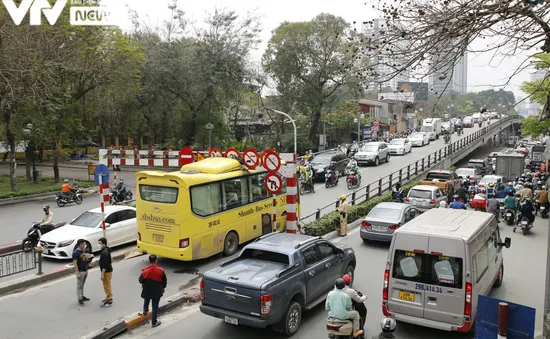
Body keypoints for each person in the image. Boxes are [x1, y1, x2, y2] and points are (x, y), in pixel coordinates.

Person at [139, 255, 167, 328]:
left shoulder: (145, 271)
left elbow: (140, 280)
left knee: (146, 299)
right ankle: (154, 322)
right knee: (155, 306)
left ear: (149, 261)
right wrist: (163, 287)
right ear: (156, 261)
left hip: (147, 290)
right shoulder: (160, 270)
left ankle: (145, 311)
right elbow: (164, 281)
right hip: (157, 291)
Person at [73, 239, 92, 306]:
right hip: (80, 271)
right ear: (80, 244)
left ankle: (82, 295)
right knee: (79, 285)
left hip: (85, 269)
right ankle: (79, 298)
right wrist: (77, 273)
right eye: (84, 244)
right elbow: (75, 264)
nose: (85, 245)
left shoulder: (83, 250)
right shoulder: (75, 253)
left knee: (82, 284)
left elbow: (84, 259)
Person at [98, 237, 113, 307]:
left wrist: (102, 274)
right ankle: (108, 297)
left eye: (100, 243)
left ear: (103, 243)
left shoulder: (104, 252)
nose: (99, 245)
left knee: (107, 286)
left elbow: (104, 264)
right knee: (106, 285)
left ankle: (109, 300)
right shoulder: (106, 250)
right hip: (108, 270)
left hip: (107, 271)